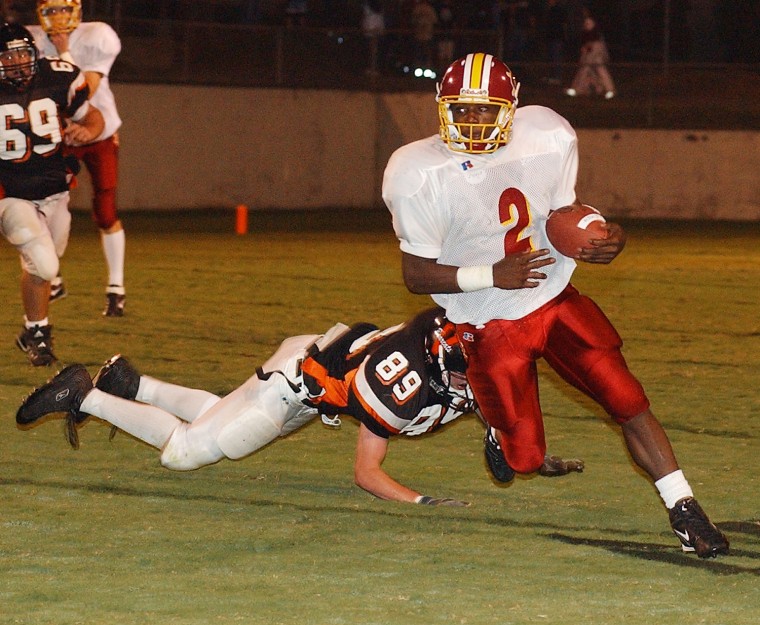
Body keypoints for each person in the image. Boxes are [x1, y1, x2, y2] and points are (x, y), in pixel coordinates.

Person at [381, 52, 729, 557]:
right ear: (440, 107)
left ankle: (684, 507)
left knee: (627, 399)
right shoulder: (417, 170)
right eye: (463, 110)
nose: (475, 122)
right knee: (524, 459)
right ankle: (501, 433)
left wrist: (606, 235)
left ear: (513, 107)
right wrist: (491, 275)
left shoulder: (547, 133)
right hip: (488, 320)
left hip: (551, 295)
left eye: (487, 109)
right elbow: (415, 275)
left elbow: (564, 214)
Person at [16, 307, 583, 504]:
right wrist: (425, 502)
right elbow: (367, 472)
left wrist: (534, 453)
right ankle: (84, 392)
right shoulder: (405, 379)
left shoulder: (451, 358)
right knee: (188, 453)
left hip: (314, 375)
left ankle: (129, 384)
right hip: (294, 384)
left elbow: (501, 436)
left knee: (222, 417)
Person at [0, 22, 104, 366]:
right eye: (8, 55)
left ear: (35, 53)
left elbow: (93, 117)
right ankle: (40, 332)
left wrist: (86, 132)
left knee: (41, 267)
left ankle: (32, 330)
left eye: (22, 53)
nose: (16, 62)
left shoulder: (58, 76)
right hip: (10, 192)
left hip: (56, 189)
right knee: (44, 262)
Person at [28, 0, 127, 316]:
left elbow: (85, 90)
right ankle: (52, 276)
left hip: (98, 132)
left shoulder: (98, 35)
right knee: (48, 204)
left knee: (105, 211)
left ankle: (116, 288)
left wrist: (65, 49)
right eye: (50, 11)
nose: (57, 18)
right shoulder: (29, 41)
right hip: (60, 134)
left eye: (62, 10)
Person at [564, 10, 615, 99]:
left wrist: (588, 48)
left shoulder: (591, 24)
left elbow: (593, 38)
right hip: (591, 50)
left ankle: (608, 90)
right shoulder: (589, 26)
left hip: (595, 51)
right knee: (590, 70)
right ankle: (581, 89)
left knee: (593, 69)